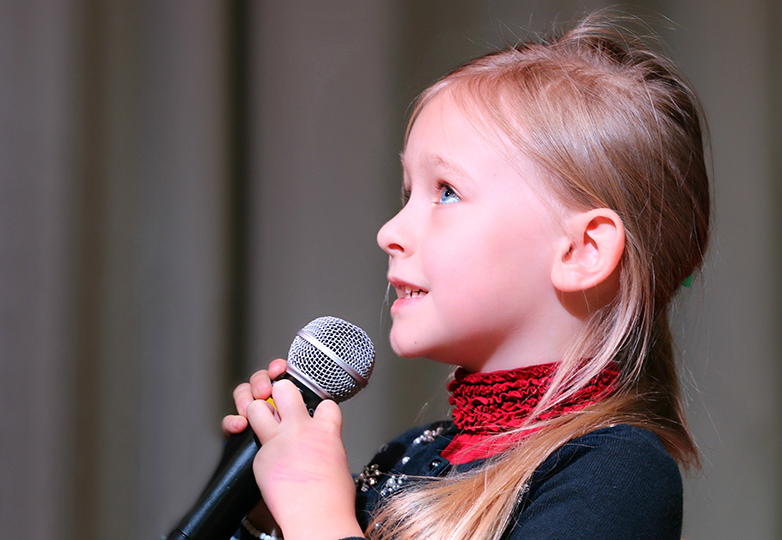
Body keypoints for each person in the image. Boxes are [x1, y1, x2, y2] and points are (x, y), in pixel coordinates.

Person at [223, 12, 710, 540]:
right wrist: (270, 522)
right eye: (408, 193)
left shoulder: (614, 473)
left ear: (582, 249)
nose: (390, 231)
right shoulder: (406, 456)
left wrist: (318, 518)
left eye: (447, 192)